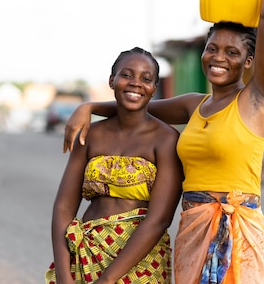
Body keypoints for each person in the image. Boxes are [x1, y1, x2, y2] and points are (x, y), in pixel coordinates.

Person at [63, 0, 264, 284]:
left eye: (232, 53)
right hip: (192, 226)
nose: (218, 58)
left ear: (249, 61)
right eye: (212, 48)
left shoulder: (257, 100)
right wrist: (89, 107)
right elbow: (137, 102)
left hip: (237, 231)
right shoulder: (193, 105)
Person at [46, 47, 183, 284]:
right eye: (127, 75)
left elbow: (159, 219)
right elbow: (63, 208)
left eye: (146, 78)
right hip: (87, 255)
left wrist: (108, 279)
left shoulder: (166, 140)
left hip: (141, 261)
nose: (136, 83)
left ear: (154, 88)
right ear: (112, 80)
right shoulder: (90, 135)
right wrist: (63, 273)